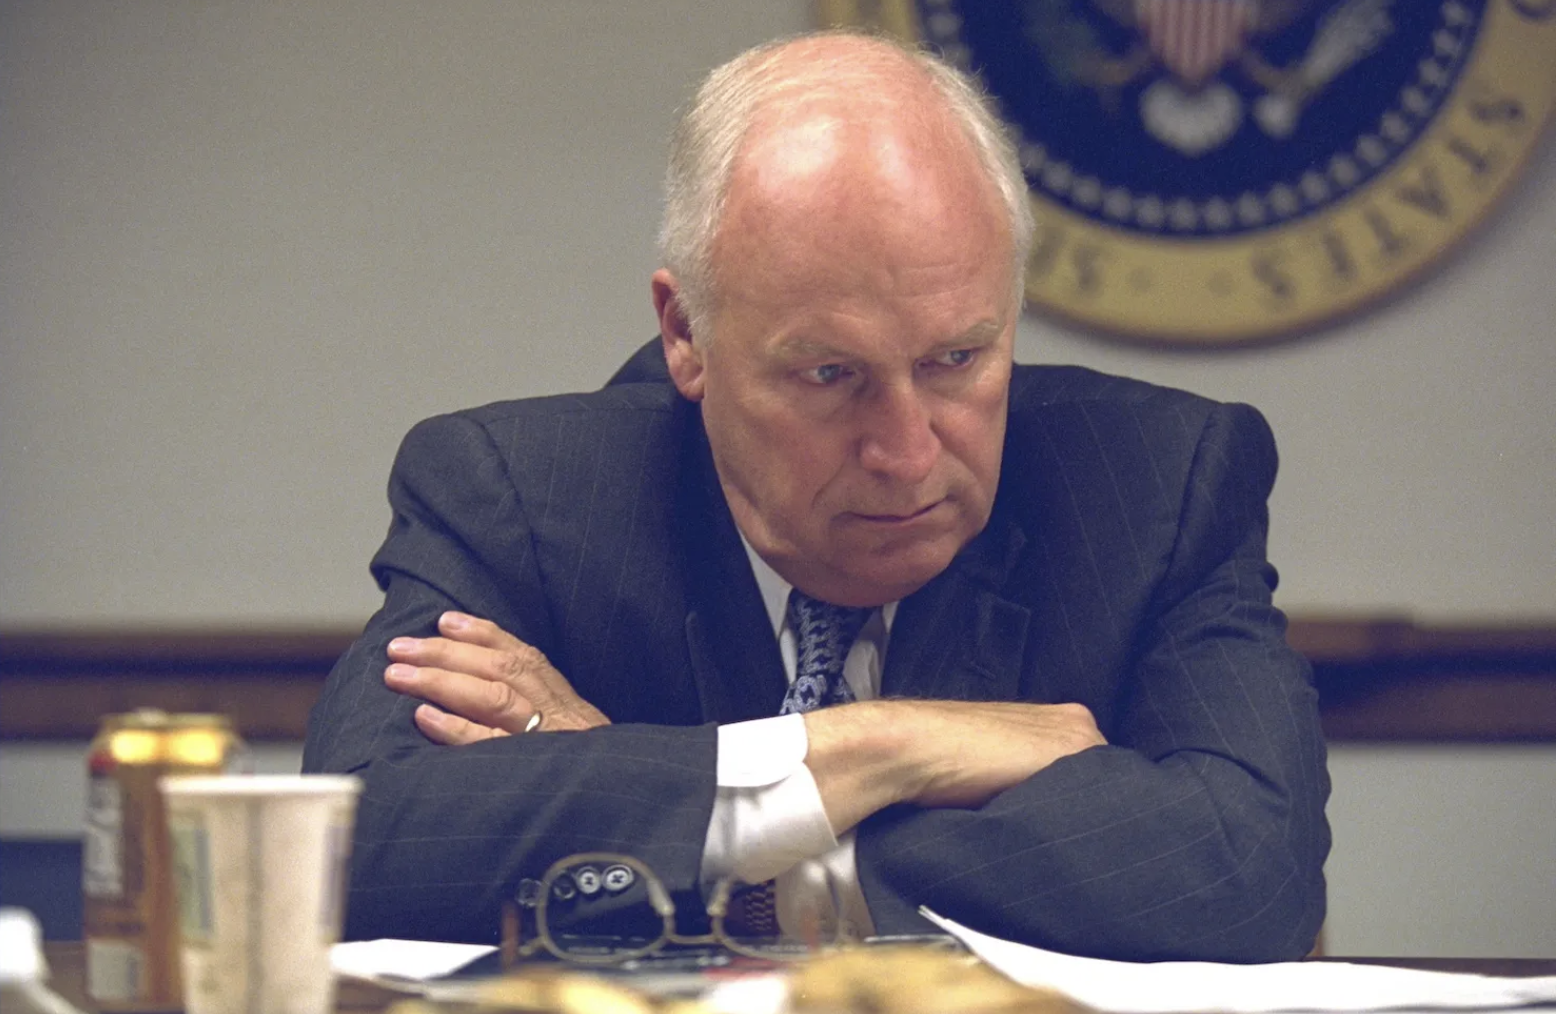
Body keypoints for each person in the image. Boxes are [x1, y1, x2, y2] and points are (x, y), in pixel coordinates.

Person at [302, 30, 1330, 962]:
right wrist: (876, 746)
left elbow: (1247, 880)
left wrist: (687, 808)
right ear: (685, 337)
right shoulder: (517, 497)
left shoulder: (1155, 485)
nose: (905, 449)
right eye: (828, 375)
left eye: (957, 359)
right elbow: (357, 852)